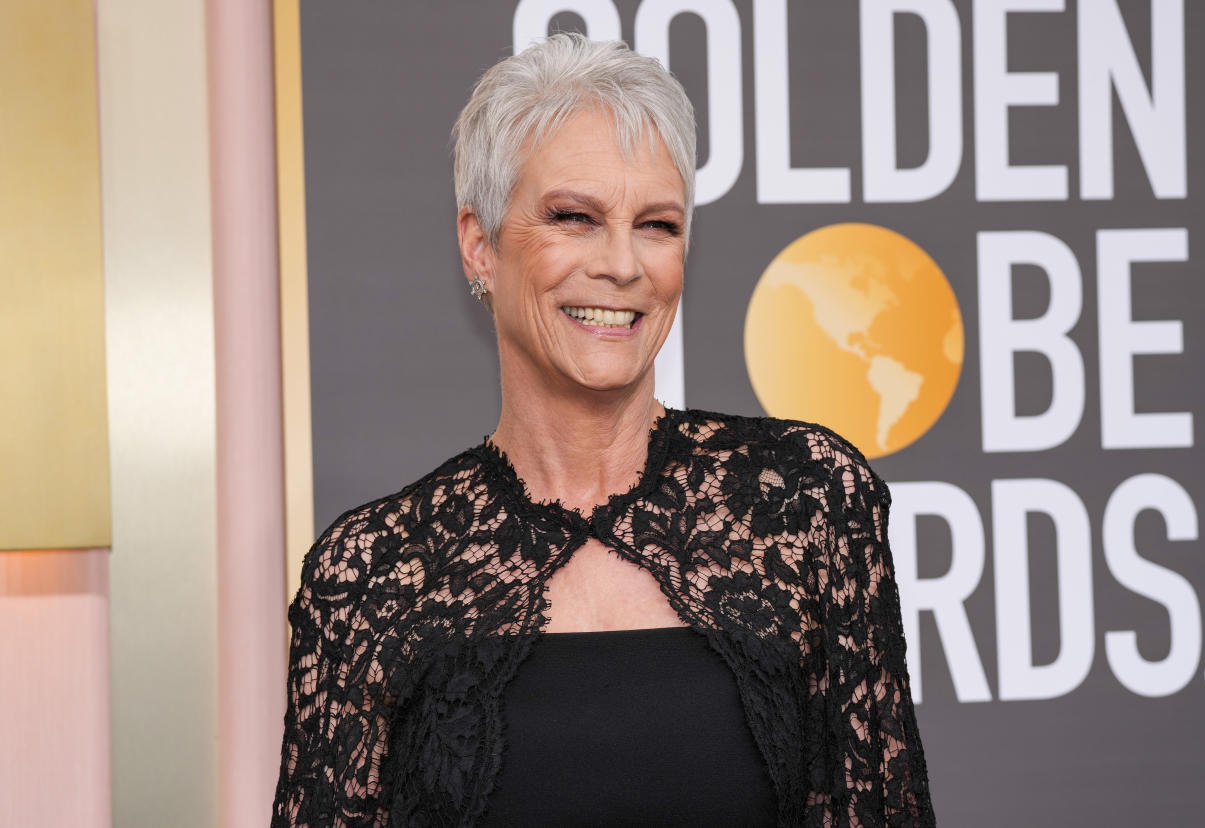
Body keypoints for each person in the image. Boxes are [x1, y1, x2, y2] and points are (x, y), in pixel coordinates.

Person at [272, 32, 933, 827]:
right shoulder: (372, 574)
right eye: (575, 218)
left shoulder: (804, 502)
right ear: (479, 246)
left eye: (656, 225)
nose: (623, 264)